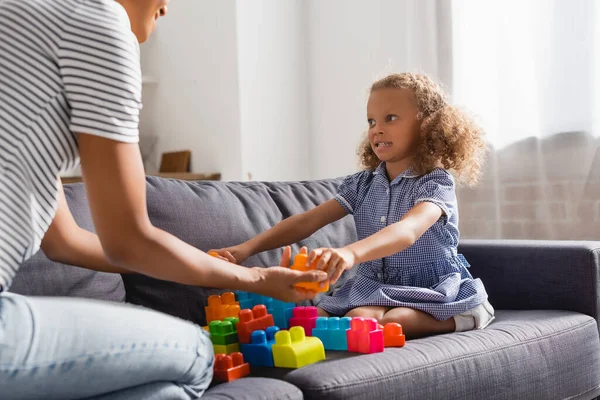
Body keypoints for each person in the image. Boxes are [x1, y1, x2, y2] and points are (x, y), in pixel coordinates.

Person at [0, 0, 326, 398]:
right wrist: (258, 278)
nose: (167, 7)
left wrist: (201, 262)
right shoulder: (99, 19)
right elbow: (129, 241)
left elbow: (65, 242)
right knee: (194, 351)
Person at [212, 73, 495, 339]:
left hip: (427, 286)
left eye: (390, 118)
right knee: (350, 317)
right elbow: (306, 221)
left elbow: (408, 230)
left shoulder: (435, 183)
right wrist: (244, 249)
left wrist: (349, 253)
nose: (377, 129)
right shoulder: (363, 184)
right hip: (374, 285)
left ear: (428, 126)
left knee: (395, 320)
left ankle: (466, 315)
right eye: (371, 121)